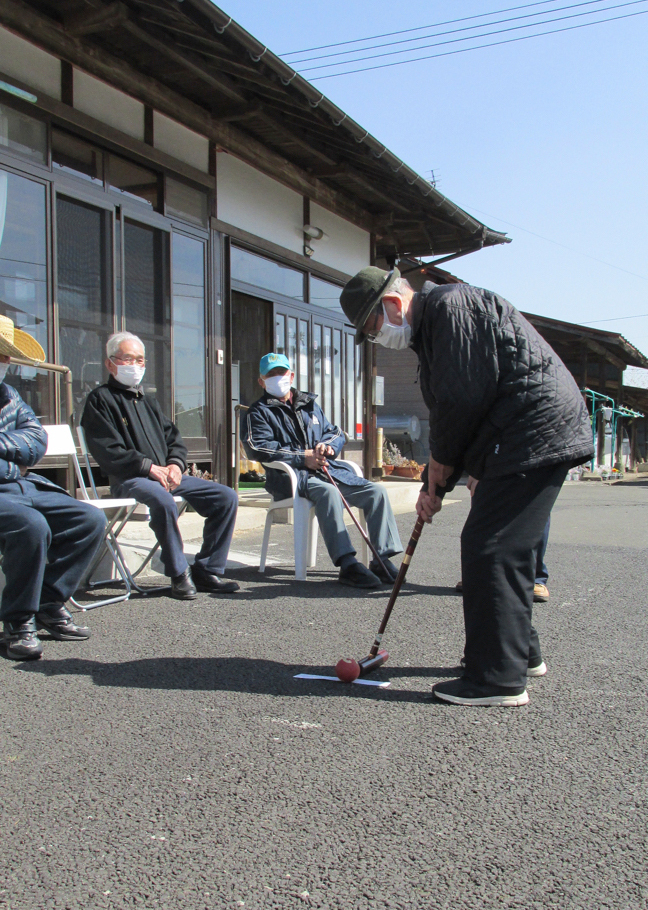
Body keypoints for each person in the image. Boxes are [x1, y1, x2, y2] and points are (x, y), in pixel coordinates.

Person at [340, 267, 594, 706]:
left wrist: (441, 468)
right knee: (500, 547)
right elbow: (463, 403)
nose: (378, 337)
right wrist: (437, 480)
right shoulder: (435, 326)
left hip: (531, 430)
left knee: (491, 546)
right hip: (520, 434)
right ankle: (521, 656)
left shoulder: (447, 307)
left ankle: (497, 678)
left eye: (373, 327)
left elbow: (462, 399)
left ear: (393, 304)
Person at [81, 332, 239, 600]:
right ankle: (178, 573)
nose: (135, 366)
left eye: (140, 360)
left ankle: (207, 568)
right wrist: (148, 468)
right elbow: (107, 450)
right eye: (128, 359)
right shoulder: (100, 400)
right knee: (163, 500)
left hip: (166, 475)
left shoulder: (147, 401)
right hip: (130, 479)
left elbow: (173, 439)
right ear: (110, 364)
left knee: (226, 496)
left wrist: (176, 465)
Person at [244, 352, 402, 588]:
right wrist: (303, 457)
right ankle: (347, 564)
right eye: (271, 375)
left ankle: (381, 559)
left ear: (292, 375)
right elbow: (258, 447)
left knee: (376, 492)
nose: (278, 378)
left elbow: (336, 432)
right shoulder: (257, 412)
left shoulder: (310, 404)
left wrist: (327, 445)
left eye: (282, 373)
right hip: (290, 478)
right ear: (261, 381)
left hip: (327, 470)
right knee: (328, 493)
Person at [0, 316, 106, 660]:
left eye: (7, 357)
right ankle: (18, 620)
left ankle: (49, 600)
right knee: (31, 526)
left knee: (89, 519)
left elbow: (36, 440)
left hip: (21, 482)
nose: (5, 363)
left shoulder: (10, 395)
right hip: (10, 487)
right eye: (1, 355)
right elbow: (25, 443)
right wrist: (14, 447)